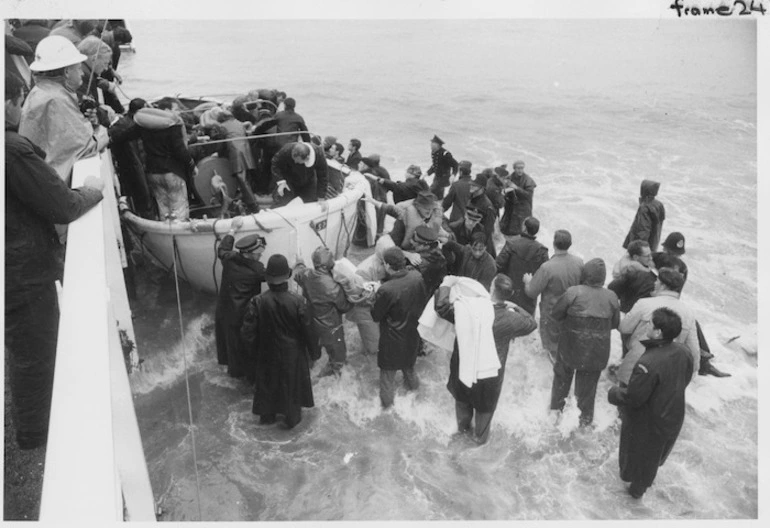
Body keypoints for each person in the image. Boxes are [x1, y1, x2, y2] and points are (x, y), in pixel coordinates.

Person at [5, 71, 104, 449]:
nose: (20, 107)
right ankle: (35, 436)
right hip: (24, 270)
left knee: (26, 348)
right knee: (36, 352)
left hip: (12, 266)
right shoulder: (12, 151)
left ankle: (34, 429)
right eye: (16, 100)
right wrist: (91, 192)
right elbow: (61, 205)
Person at [435, 274, 537, 444]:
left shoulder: (468, 310)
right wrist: (515, 306)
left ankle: (461, 440)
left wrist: (446, 283)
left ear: (491, 289)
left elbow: (442, 307)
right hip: (490, 376)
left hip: (464, 367)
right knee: (483, 421)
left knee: (462, 405)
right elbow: (532, 323)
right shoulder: (512, 318)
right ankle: (479, 454)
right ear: (508, 295)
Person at [608, 308, 694, 499]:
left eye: (651, 324)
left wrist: (613, 393)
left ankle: (633, 498)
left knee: (638, 459)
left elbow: (634, 397)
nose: (648, 326)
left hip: (649, 421)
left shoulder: (648, 362)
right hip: (672, 414)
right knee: (652, 458)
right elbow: (685, 379)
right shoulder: (683, 351)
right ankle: (637, 494)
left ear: (658, 333)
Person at [241, 254, 320, 428]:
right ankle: (291, 427)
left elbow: (247, 334)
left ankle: (267, 424)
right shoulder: (299, 302)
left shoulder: (257, 301)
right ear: (287, 276)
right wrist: (315, 353)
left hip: (267, 353)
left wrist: (253, 355)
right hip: (292, 355)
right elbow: (309, 331)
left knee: (267, 393)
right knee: (291, 396)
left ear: (268, 279)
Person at [19, 35, 107, 182]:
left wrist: (90, 122)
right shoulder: (56, 100)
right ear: (66, 72)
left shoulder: (42, 91)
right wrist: (106, 133)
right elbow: (85, 147)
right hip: (51, 183)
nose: (82, 73)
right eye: (78, 68)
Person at [550, 258, 620, 426]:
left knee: (562, 380)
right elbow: (615, 324)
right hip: (597, 352)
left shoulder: (573, 292)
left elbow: (556, 314)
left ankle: (555, 416)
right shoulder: (611, 296)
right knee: (587, 394)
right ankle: (583, 425)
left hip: (570, 348)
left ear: (585, 274)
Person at [652, 233, 729, 378]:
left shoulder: (674, 265)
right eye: (673, 253)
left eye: (676, 254)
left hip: (667, 300)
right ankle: (703, 363)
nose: (675, 257)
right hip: (655, 299)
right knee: (689, 323)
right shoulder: (660, 260)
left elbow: (676, 291)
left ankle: (704, 362)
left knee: (692, 322)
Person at [616, 268, 700, 385]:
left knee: (625, 399)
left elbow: (624, 328)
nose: (654, 283)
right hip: (666, 372)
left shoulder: (644, 303)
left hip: (636, 365)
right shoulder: (688, 312)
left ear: (663, 286)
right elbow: (694, 349)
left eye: (657, 281)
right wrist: (693, 370)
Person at [371, 247, 428, 408]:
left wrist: (375, 294)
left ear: (388, 266)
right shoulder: (417, 277)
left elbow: (376, 315)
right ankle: (417, 400)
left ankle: (387, 411)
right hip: (412, 334)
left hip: (392, 339)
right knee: (409, 368)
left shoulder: (386, 290)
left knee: (387, 377)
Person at [215, 217, 266, 380]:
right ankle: (245, 381)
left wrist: (232, 229)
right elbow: (275, 276)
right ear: (249, 254)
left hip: (225, 312)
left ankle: (233, 375)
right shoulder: (256, 270)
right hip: (243, 317)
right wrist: (295, 268)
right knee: (247, 351)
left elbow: (222, 249)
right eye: (258, 254)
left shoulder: (230, 259)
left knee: (231, 348)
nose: (260, 257)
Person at [523, 230, 584, 362]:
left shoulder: (547, 267)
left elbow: (532, 292)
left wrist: (528, 281)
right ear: (570, 244)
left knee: (552, 343)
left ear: (554, 244)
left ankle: (553, 357)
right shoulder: (579, 262)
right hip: (572, 308)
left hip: (552, 311)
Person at [294, 246, 353, 377]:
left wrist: (299, 262)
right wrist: (355, 297)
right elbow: (345, 307)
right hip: (330, 328)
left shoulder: (306, 275)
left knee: (311, 355)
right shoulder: (333, 286)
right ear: (328, 265)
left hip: (310, 324)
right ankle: (336, 385)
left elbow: (298, 274)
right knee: (339, 360)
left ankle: (308, 375)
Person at [133, 107, 196, 221]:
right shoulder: (173, 127)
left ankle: (166, 230)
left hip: (152, 171)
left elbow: (126, 135)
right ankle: (179, 232)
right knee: (178, 206)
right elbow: (180, 151)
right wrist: (192, 165)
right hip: (172, 172)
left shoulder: (144, 127)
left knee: (162, 205)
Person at [495, 216, 549, 315]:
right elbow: (546, 274)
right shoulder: (542, 251)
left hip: (508, 291)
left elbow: (498, 265)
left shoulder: (511, 244)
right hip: (529, 295)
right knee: (526, 324)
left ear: (524, 228)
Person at [108, 97, 153, 217]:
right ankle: (146, 216)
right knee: (142, 195)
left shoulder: (122, 123)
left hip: (131, 164)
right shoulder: (131, 126)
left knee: (138, 194)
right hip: (133, 165)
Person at [607, 240, 657, 313]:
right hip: (630, 310)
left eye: (651, 254)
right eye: (647, 256)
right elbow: (612, 288)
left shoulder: (630, 262)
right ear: (636, 257)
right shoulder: (631, 272)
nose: (651, 258)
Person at [623, 179, 665, 252]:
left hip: (641, 248)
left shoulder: (645, 207)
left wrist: (638, 249)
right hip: (653, 245)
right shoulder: (659, 205)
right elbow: (660, 221)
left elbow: (643, 230)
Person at [409, 224, 448, 300]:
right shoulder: (439, 255)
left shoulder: (419, 263)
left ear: (426, 246)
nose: (411, 242)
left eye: (416, 243)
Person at [500, 160, 536, 238]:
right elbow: (504, 189)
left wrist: (516, 188)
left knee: (522, 232)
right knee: (506, 231)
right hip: (510, 209)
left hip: (523, 210)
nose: (520, 170)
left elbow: (528, 195)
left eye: (521, 168)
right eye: (518, 168)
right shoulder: (510, 178)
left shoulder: (528, 180)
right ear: (514, 168)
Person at [359, 154, 391, 238]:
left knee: (374, 220)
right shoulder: (383, 170)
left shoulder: (370, 174)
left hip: (376, 198)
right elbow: (389, 184)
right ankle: (379, 236)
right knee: (380, 221)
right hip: (383, 197)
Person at [426, 134, 459, 199]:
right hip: (437, 176)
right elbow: (435, 165)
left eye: (432, 143)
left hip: (443, 178)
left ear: (437, 145)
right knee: (438, 194)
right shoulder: (434, 152)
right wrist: (427, 173)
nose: (431, 145)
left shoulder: (445, 154)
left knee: (429, 193)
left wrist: (453, 175)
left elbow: (455, 164)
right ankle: (439, 204)